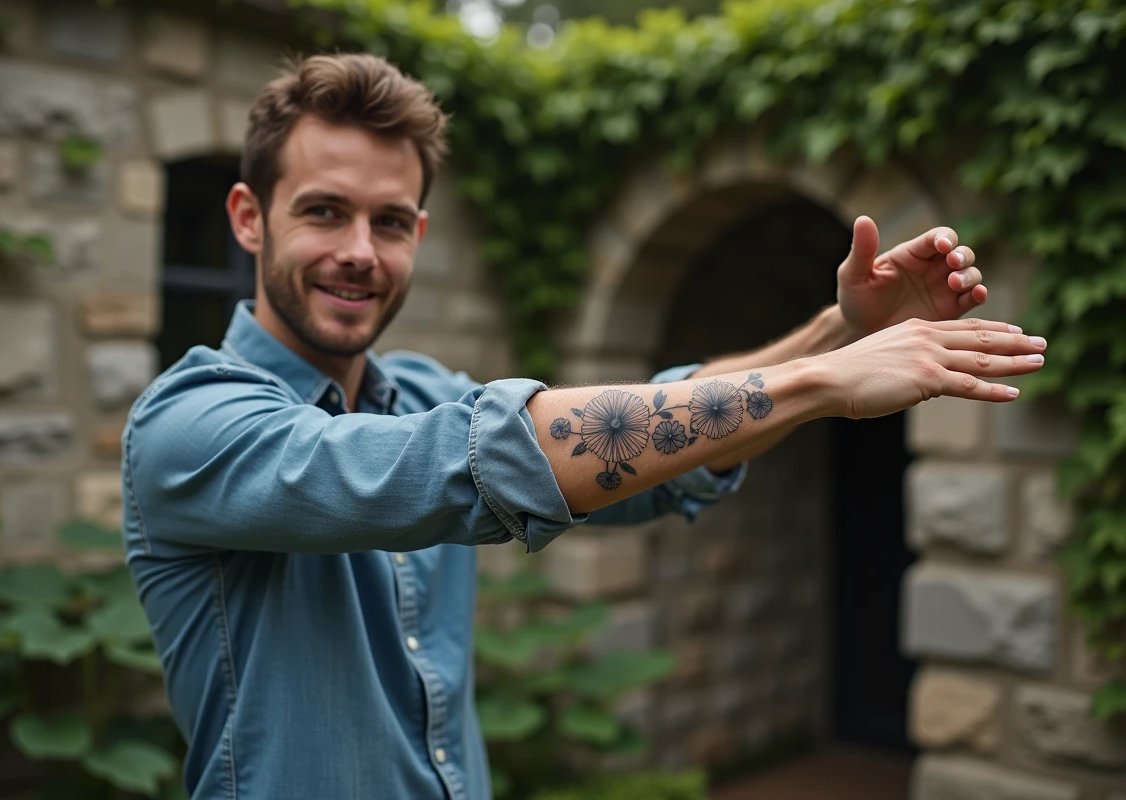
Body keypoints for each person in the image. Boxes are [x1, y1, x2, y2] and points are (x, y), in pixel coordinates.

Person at [122, 53, 1046, 800]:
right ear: (249, 218)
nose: (360, 253)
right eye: (324, 212)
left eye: (390, 222)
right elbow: (482, 457)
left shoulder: (415, 388)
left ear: (420, 234)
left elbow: (648, 445)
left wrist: (838, 329)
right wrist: (820, 381)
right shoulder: (192, 424)